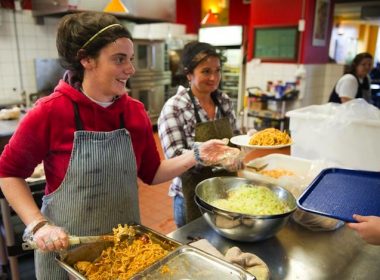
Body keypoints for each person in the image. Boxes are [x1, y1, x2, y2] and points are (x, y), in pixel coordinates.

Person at [0, 12, 241, 279]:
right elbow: (8, 172)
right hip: (65, 253)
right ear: (87, 59)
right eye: (119, 59)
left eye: (130, 59)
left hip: (125, 250)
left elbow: (152, 172)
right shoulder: (50, 112)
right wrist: (38, 225)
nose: (130, 69)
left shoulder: (134, 112)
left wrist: (197, 154)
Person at [157, 41, 240, 228]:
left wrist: (244, 145)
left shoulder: (223, 100)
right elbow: (175, 156)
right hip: (191, 197)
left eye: (217, 70)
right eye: (206, 71)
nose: (214, 77)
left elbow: (235, 138)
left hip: (227, 193)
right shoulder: (175, 107)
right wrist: (215, 156)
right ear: (188, 74)